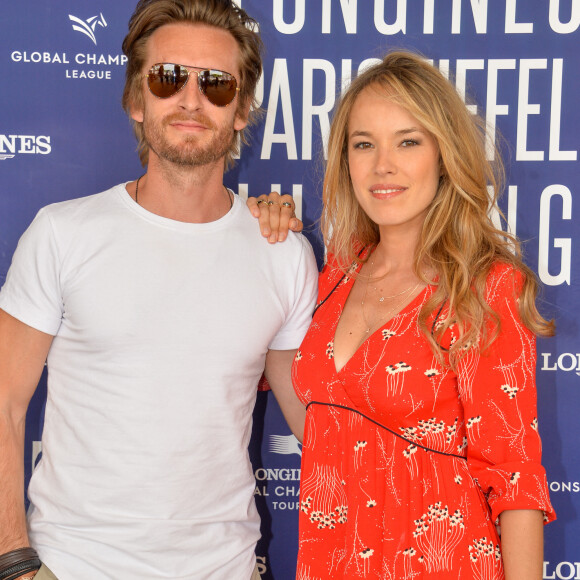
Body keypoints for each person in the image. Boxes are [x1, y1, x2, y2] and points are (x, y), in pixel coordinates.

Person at [0, 1, 317, 579]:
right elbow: (4, 402)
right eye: (169, 77)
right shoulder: (62, 234)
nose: (191, 99)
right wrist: (15, 561)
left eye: (217, 84)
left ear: (242, 109)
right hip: (74, 567)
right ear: (135, 99)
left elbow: (319, 427)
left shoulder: (284, 254)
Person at [249, 50, 555, 579]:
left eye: (407, 141)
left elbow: (515, 483)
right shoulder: (336, 276)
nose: (382, 165)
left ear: (444, 153)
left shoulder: (484, 287)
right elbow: (322, 423)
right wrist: (256, 232)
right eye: (363, 144)